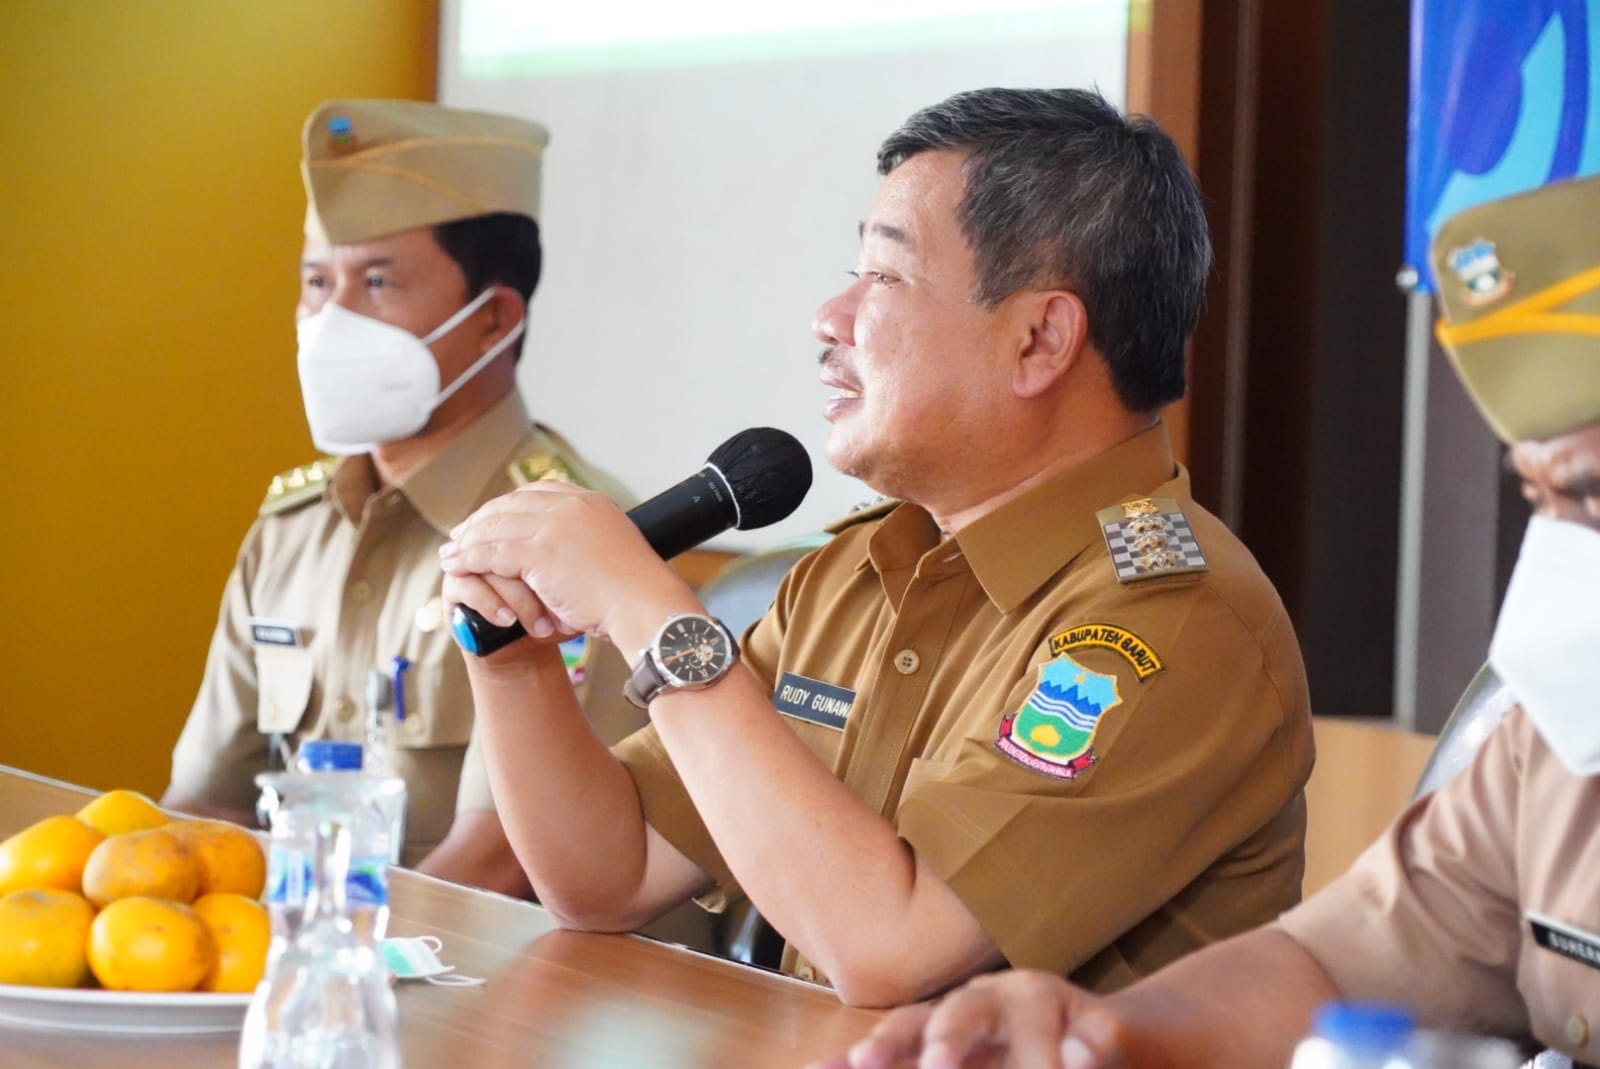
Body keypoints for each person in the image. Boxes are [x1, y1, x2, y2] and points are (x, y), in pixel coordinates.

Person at [439, 87, 1314, 1007]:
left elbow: (890, 944)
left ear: (1041, 340)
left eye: (886, 277)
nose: (831, 314)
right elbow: (607, 874)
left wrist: (647, 608)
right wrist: (511, 659)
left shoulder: (1174, 618)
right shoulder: (855, 574)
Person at [816, 172, 1600, 1064]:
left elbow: (887, 938)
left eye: (1591, 495)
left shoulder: (1172, 606)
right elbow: (1332, 964)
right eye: (1541, 497)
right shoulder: (1552, 749)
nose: (1563, 554)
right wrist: (1096, 1037)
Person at [162, 99, 641, 896]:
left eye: (377, 281)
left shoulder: (578, 537)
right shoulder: (290, 529)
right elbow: (203, 805)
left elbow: (504, 859)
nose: (329, 320)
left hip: (506, 995)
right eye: (317, 282)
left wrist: (335, 963)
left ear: (493, 319)